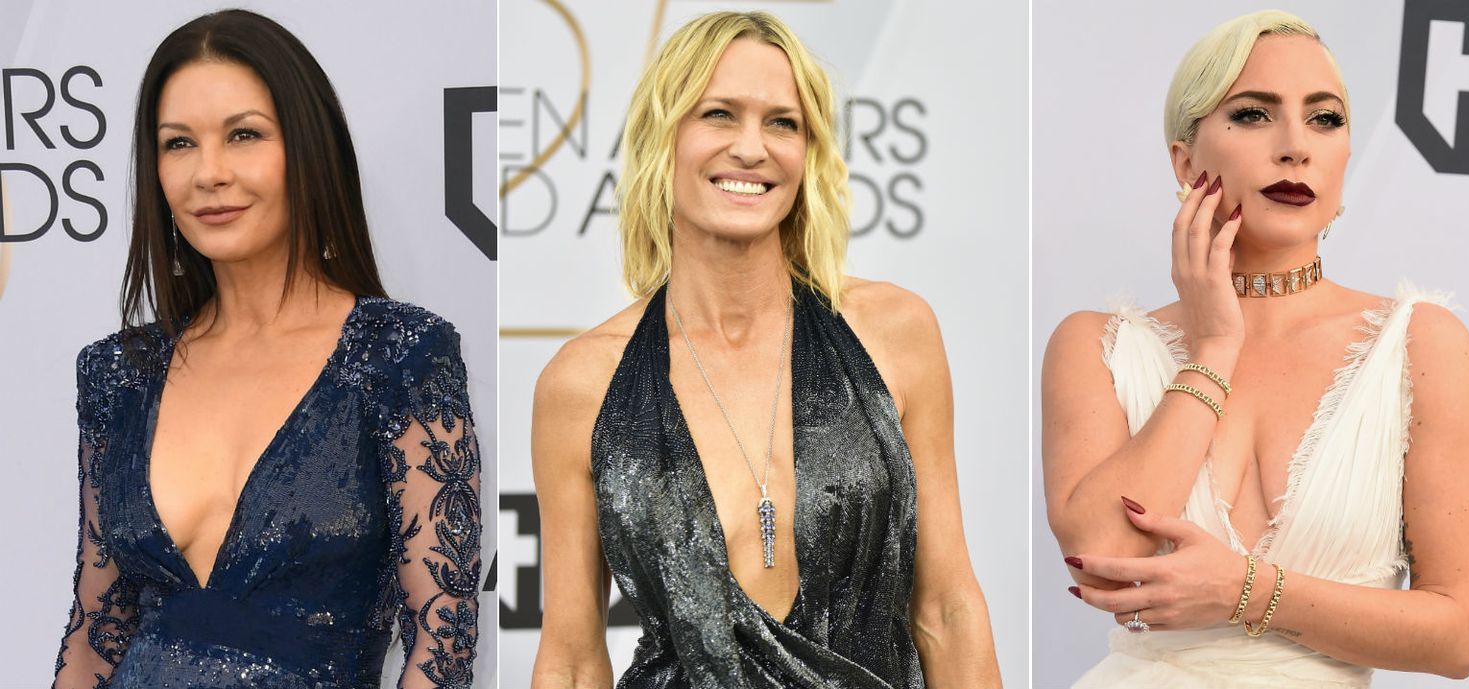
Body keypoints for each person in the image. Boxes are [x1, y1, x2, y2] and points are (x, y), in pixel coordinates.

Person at [530, 11, 1000, 688]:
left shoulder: (896, 331)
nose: (752, 148)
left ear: (809, 152)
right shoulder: (582, 382)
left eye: (783, 123)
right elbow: (572, 659)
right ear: (664, 138)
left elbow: (947, 610)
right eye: (719, 114)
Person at [1041, 10, 1469, 689]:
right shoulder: (1096, 345)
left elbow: (1458, 637)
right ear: (1184, 160)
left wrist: (1246, 590)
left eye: (1324, 119)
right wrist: (1213, 349)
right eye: (1253, 114)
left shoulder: (1420, 343)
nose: (1295, 147)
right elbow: (1101, 553)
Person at [51, 10, 480, 688]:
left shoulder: (398, 355)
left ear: (308, 149)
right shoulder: (119, 373)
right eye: (178, 143)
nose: (208, 173)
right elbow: (94, 630)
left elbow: (442, 638)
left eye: (243, 135)